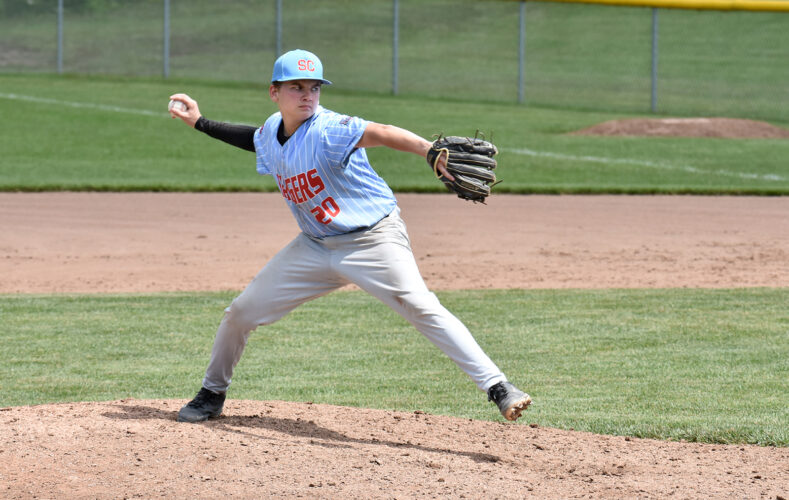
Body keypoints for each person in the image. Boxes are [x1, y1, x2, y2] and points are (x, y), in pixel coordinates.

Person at [168, 49, 531, 423]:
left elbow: (383, 133)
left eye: (314, 87)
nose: (308, 95)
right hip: (314, 246)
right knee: (241, 313)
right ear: (274, 92)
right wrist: (199, 122)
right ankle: (212, 393)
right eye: (297, 87)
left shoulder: (329, 129)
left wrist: (428, 150)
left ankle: (499, 388)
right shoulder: (273, 129)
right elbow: (255, 139)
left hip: (373, 241)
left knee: (420, 305)